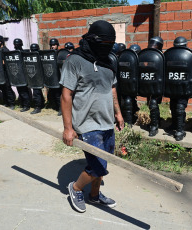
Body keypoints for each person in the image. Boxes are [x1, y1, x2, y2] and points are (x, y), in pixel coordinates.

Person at [60, 20, 124, 213]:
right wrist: (68, 128)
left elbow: (112, 90)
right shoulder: (75, 61)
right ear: (92, 39)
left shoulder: (108, 61)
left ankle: (94, 196)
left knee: (102, 164)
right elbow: (66, 95)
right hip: (87, 124)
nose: (106, 47)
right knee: (98, 165)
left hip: (106, 122)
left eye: (109, 43)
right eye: (103, 43)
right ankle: (76, 187)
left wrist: (118, 114)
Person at [166, 36, 191, 141]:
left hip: (181, 87)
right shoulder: (188, 55)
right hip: (176, 86)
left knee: (179, 108)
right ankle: (174, 124)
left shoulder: (187, 56)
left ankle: (180, 131)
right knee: (173, 106)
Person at [147, 36, 164, 136]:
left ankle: (154, 126)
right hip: (148, 83)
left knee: (153, 103)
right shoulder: (147, 55)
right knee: (151, 104)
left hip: (158, 85)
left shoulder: (161, 56)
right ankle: (156, 121)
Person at [0, 35, 16, 110]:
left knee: (7, 88)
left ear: (2, 42)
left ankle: (12, 103)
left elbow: (7, 61)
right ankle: (6, 102)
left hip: (5, 72)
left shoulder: (5, 50)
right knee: (2, 88)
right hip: (0, 73)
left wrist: (1, 63)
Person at [13, 38, 31, 112]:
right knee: (19, 91)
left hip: (23, 75)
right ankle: (22, 104)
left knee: (24, 91)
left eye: (18, 44)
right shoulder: (14, 53)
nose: (16, 46)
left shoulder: (24, 53)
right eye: (15, 44)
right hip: (17, 75)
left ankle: (27, 105)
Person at [47, 38, 62, 115]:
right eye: (51, 45)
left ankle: (61, 108)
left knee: (58, 94)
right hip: (52, 77)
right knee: (52, 94)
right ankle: (56, 106)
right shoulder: (49, 54)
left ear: (57, 45)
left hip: (59, 76)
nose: (52, 46)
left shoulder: (60, 53)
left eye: (54, 45)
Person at [29, 43, 45, 114]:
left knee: (36, 92)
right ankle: (40, 104)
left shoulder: (40, 56)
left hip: (40, 76)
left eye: (35, 50)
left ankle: (38, 107)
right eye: (32, 50)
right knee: (37, 91)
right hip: (34, 76)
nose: (34, 51)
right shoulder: (30, 56)